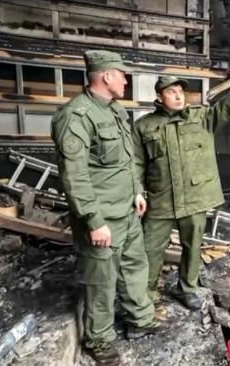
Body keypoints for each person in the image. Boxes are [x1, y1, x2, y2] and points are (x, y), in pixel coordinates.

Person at [51, 50, 166, 366]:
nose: (126, 79)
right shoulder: (76, 117)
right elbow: (75, 176)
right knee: (100, 282)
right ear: (106, 76)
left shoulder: (114, 110)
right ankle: (98, 341)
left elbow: (127, 161)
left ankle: (140, 320)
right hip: (101, 218)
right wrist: (93, 220)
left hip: (127, 211)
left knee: (134, 268)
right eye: (122, 73)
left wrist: (137, 193)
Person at [133, 65, 230, 310]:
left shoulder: (201, 117)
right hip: (161, 199)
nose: (179, 96)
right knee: (149, 250)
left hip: (194, 198)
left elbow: (226, 107)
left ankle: (187, 288)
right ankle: (144, 296)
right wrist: (137, 191)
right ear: (159, 97)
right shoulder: (143, 127)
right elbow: (135, 163)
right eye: (172, 92)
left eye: (181, 91)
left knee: (192, 247)